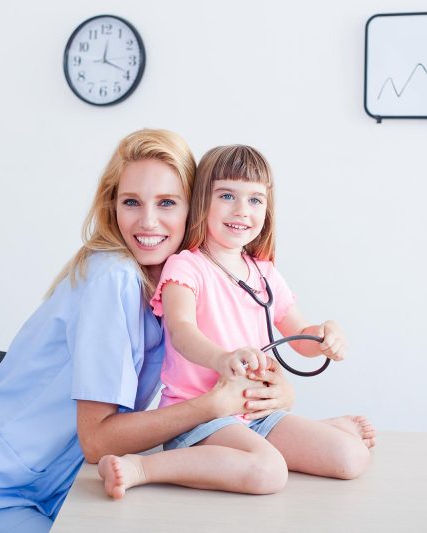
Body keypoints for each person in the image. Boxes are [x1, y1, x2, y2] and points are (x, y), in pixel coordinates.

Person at [0, 131, 296, 532]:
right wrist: (212, 406)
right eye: (131, 202)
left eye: (167, 202)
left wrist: (276, 394)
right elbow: (98, 442)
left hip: (57, 487)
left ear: (195, 207)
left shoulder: (178, 285)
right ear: (111, 206)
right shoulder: (113, 277)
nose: (147, 221)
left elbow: (204, 376)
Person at [98, 144, 376, 499]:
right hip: (202, 417)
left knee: (351, 457)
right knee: (268, 472)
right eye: (227, 195)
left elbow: (299, 335)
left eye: (255, 200)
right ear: (202, 201)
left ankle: (322, 430)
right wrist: (220, 358)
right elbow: (181, 331)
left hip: (255, 413)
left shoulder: (264, 272)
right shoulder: (186, 267)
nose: (242, 210)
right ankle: (141, 467)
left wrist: (324, 336)